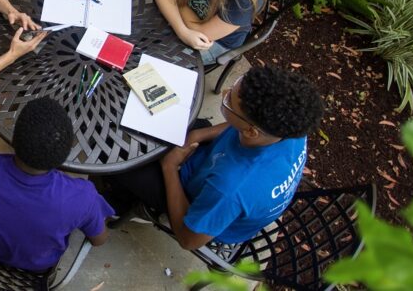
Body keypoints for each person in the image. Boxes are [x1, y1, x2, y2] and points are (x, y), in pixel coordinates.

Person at [101, 66, 323, 250]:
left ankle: (121, 199)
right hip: (208, 166)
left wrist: (169, 167)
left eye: (229, 102)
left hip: (198, 204)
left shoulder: (229, 190)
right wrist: (200, 134)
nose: (225, 92)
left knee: (119, 158)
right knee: (162, 122)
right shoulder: (289, 130)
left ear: (251, 131)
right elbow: (236, 125)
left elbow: (188, 240)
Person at [0, 97, 114, 272]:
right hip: (39, 265)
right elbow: (98, 240)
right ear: (64, 157)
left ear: (12, 137)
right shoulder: (83, 197)